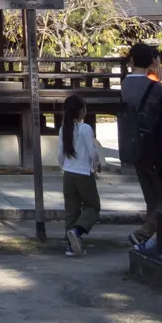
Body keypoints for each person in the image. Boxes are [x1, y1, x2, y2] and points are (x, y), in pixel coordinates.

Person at [120, 42, 162, 250]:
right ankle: (144, 234)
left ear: (131, 60)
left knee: (149, 195)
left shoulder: (124, 83)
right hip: (152, 145)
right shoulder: (154, 86)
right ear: (151, 60)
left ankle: (151, 238)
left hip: (132, 143)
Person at [60, 93, 102, 257]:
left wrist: (63, 167)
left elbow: (59, 153)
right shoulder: (85, 128)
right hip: (83, 172)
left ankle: (71, 246)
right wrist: (96, 165)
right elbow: (92, 151)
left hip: (68, 173)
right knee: (93, 206)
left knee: (71, 210)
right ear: (80, 111)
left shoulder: (64, 128)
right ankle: (77, 231)